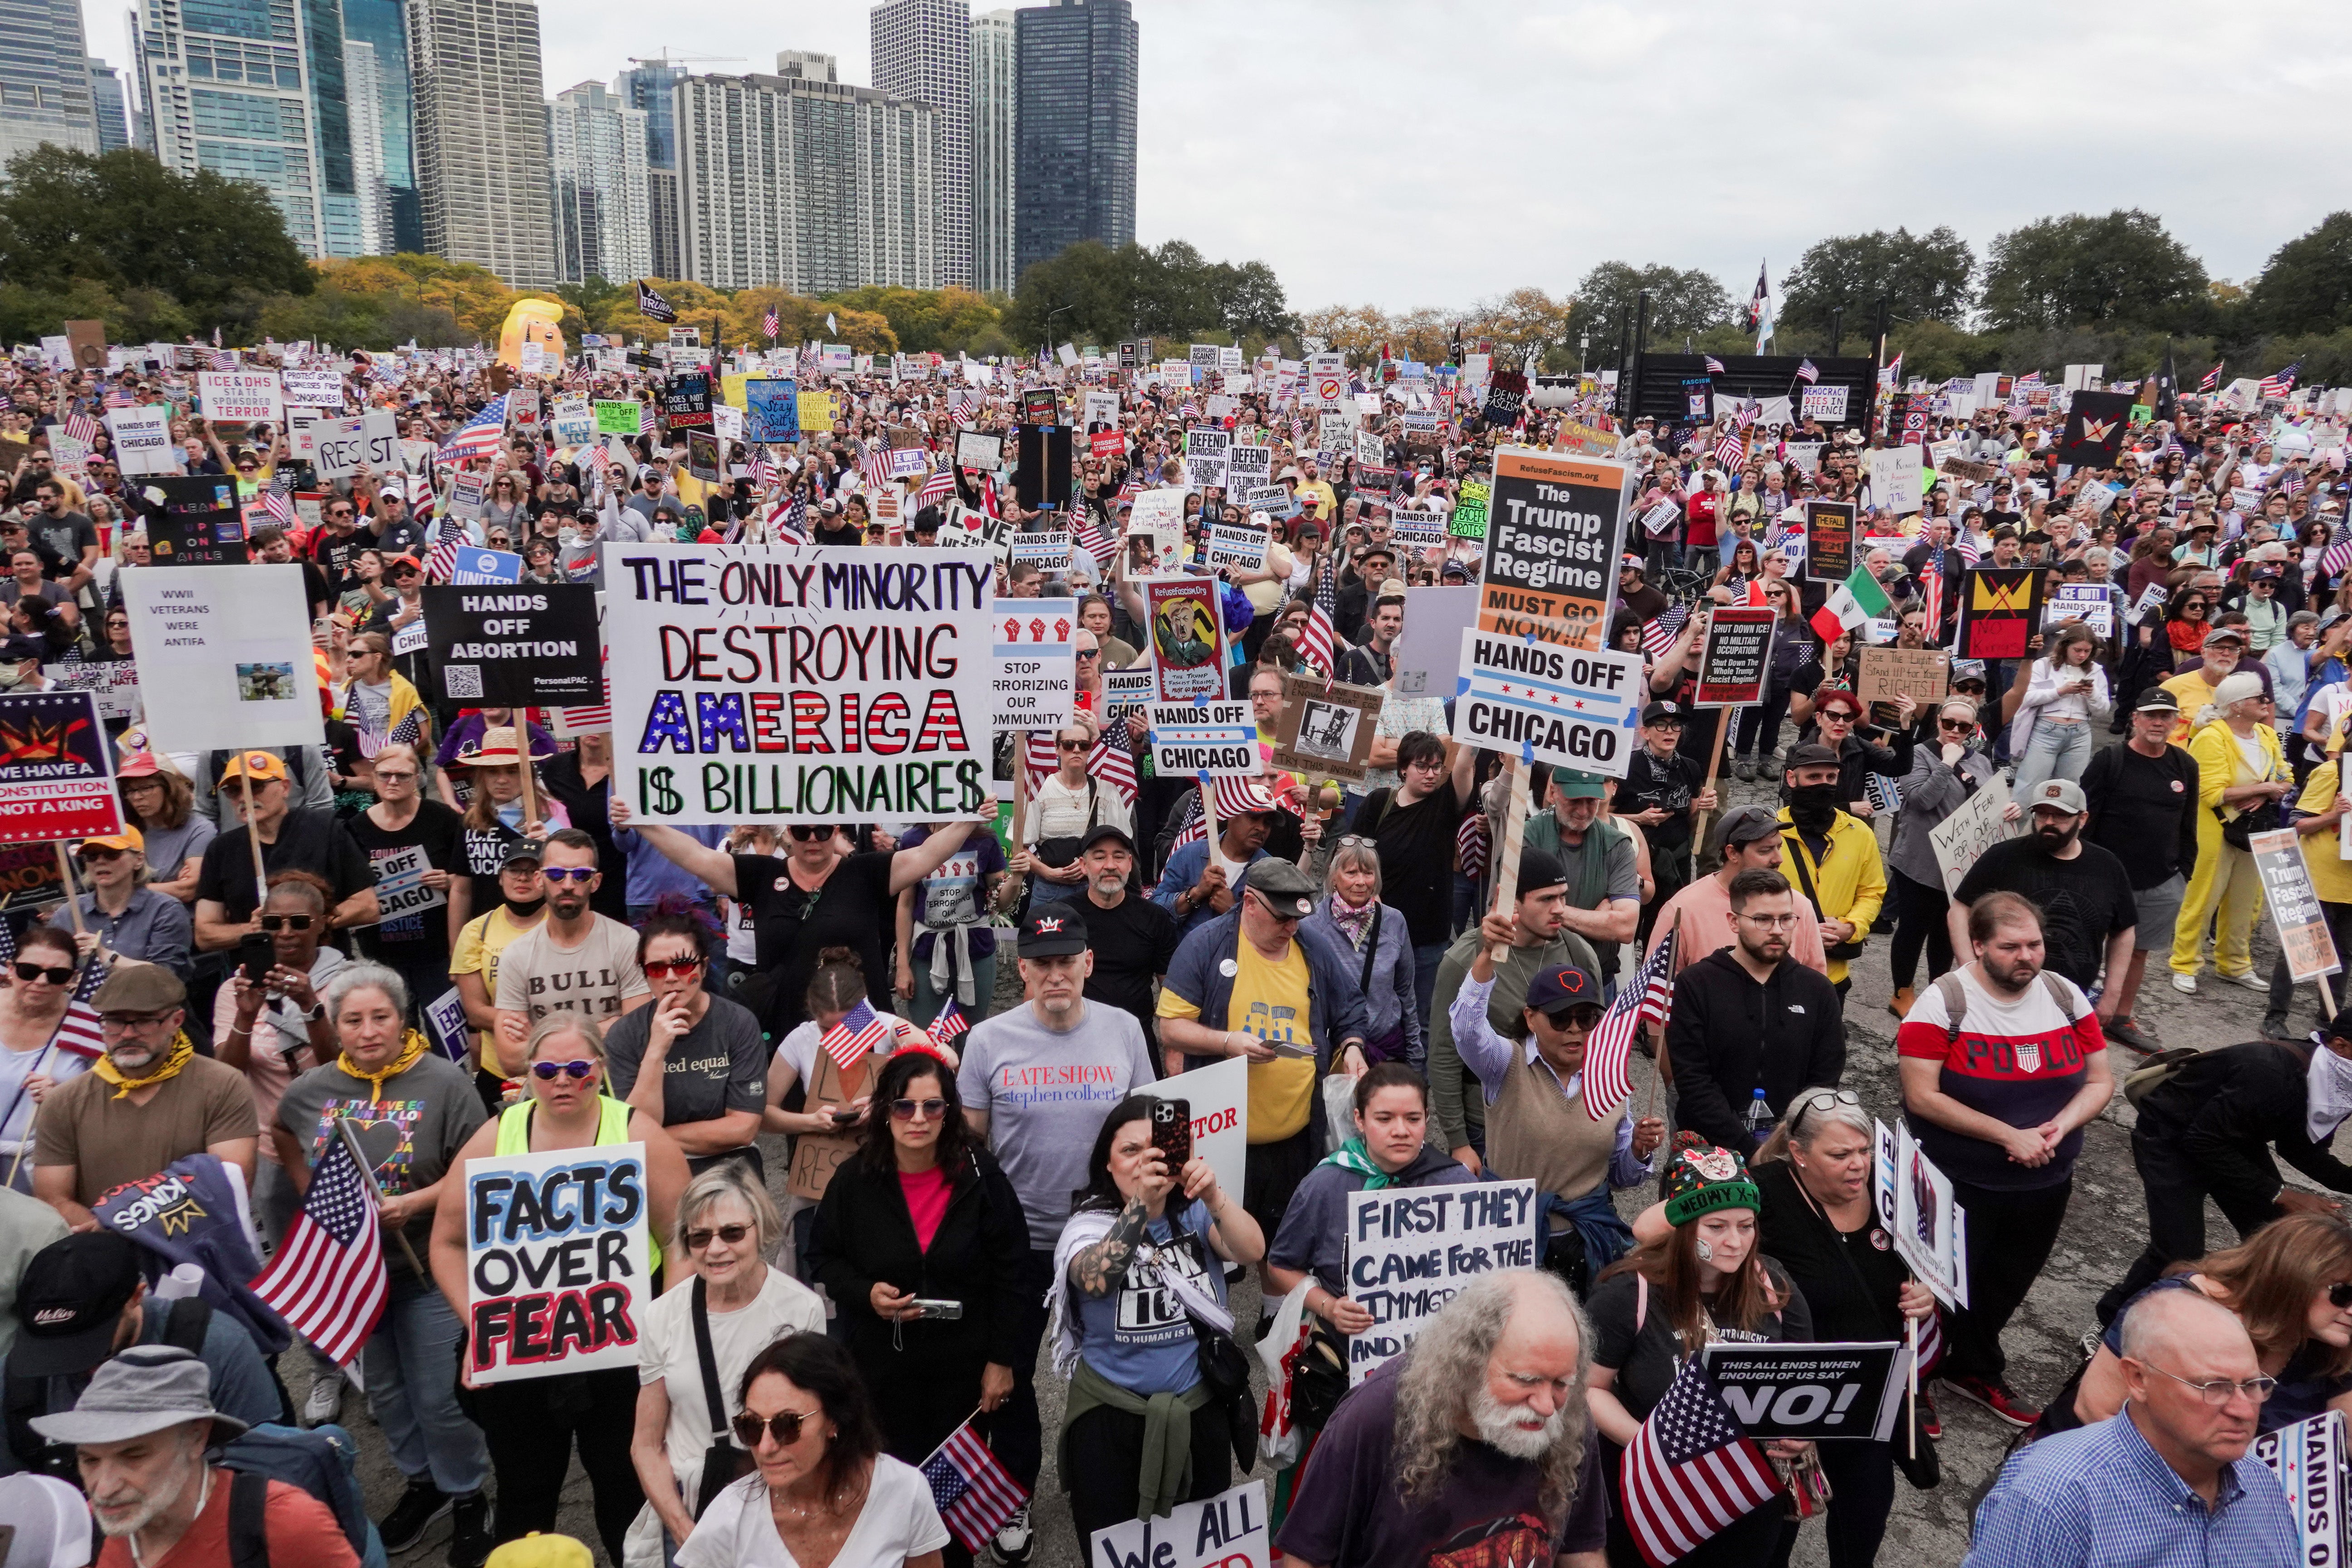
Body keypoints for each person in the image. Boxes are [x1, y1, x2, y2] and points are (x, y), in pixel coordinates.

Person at [429, 1014, 691, 1565]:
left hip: (621, 1343)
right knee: (525, 1493)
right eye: (548, 1070)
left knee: (625, 1489)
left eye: (578, 1068)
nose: (563, 1080)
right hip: (521, 1342)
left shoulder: (638, 1131)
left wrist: (667, 1327)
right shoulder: (496, 1135)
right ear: (528, 1074)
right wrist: (478, 1327)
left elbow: (679, 1237)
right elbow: (447, 1243)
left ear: (600, 1069)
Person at [269, 962, 490, 1561]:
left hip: (429, 1264)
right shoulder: (311, 1088)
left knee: (440, 1395)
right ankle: (423, 1483)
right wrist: (307, 1184)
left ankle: (468, 1491)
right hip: (357, 1276)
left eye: (380, 1018)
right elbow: (283, 1131)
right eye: (353, 1020)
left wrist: (415, 1202)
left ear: (402, 1020)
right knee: (389, 1394)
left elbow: (483, 1167)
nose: (368, 1031)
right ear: (335, 1027)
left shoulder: (445, 1083)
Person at [954, 905, 1157, 1553]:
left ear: (1088, 964)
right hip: (1019, 1242)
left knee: (1115, 1365)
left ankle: (1122, 1485)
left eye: (1066, 960)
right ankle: (1012, 1496)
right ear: (1022, 970)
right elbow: (971, 1146)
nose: (1055, 974)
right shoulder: (987, 1040)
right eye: (1042, 963)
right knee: (1005, 1376)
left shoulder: (1125, 1029)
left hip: (1107, 1233)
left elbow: (1147, 1120)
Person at [1896, 893, 2113, 1428]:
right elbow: (1921, 1096)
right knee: (1934, 1287)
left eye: (2034, 945)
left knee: (2004, 1283)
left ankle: (1971, 1368)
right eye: (2010, 946)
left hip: (2046, 1179)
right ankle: (1911, 1380)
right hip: (1956, 1181)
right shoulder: (1943, 1002)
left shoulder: (2065, 996)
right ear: (1978, 945)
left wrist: (2061, 1126)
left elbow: (2101, 1079)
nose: (2027, 957)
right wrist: (2005, 1135)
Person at [811, 1047, 1027, 1555]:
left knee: (952, 1509)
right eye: (905, 1106)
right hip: (882, 1367)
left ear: (950, 1112)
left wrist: (1003, 1360)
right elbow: (822, 1256)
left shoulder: (982, 1176)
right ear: (884, 1109)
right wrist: (865, 1293)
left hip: (964, 1366)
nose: (918, 1119)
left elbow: (1013, 1274)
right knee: (887, 1494)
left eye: (933, 1107)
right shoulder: (855, 1179)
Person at [1048, 1094, 1263, 1563]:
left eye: (1158, 1147)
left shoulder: (1195, 1215)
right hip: (1111, 1418)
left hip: (1197, 1409)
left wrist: (1212, 1195)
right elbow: (1095, 1278)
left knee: (1198, 1550)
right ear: (1106, 1164)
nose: (1146, 1160)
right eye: (1130, 1150)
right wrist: (1138, 1209)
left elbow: (1251, 1249)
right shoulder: (1086, 1226)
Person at [1272, 1270, 1608, 1568]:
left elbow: (1583, 1549)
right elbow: (1305, 1558)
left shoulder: (1568, 1417)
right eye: (1526, 1379)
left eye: (1561, 1382)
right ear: (1468, 1363)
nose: (1547, 1405)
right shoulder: (1371, 1418)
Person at [1585, 1138, 1812, 1568]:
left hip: (1747, 1496)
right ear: (1684, 1227)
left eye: (1746, 1226)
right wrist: (1654, 1447)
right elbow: (1589, 1388)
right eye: (1716, 1226)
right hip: (1653, 1495)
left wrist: (1802, 1431)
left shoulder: (1775, 1288)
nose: (1735, 1241)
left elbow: (1805, 1385)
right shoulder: (1628, 1291)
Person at [1961, 1290, 2296, 1566]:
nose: (2242, 1409)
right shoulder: (2054, 1497)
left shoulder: (2260, 1480)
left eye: (2252, 1385)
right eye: (2213, 1386)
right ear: (2137, 1379)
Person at [1264, 1065, 1474, 1505]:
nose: (1400, 1130)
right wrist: (1327, 1305)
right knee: (1337, 1501)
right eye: (1384, 1118)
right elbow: (1280, 1265)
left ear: (1426, 1119)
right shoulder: (1325, 1183)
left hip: (1435, 1376)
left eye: (1413, 1118)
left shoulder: (1455, 1182)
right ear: (1359, 1120)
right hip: (1345, 1372)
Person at [611, 798, 995, 1036]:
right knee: (805, 1130)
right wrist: (642, 821)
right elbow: (697, 857)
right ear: (788, 833)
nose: (813, 838)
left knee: (865, 1117)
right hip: (792, 1026)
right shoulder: (762, 875)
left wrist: (968, 820)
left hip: (860, 1020)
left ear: (837, 831)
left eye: (823, 829)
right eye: (801, 829)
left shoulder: (864, 872)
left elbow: (926, 856)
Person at [1751, 1090, 1937, 1568]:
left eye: (1864, 1150)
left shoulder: (1891, 1188)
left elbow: (1936, 1262)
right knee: (1776, 1528)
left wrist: (1927, 1295)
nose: (1858, 1165)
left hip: (1867, 1390)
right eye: (1840, 1155)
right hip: (1792, 1392)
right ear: (1798, 1153)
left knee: (1865, 1511)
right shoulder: (1765, 1190)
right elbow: (1666, 1234)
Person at [1157, 860, 1369, 1240]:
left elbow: (1350, 1006)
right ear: (1250, 903)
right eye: (1281, 919)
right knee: (1213, 1241)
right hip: (1220, 1133)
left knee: (1283, 1241)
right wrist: (1226, 1042)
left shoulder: (1310, 947)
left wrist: (1352, 1045)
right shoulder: (1206, 944)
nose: (1291, 928)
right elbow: (1171, 1027)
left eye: (1296, 920)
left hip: (1294, 1135)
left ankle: (1275, 1304)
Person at [2100, 1006, 2352, 1317]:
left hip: (2231, 1140)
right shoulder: (2270, 1072)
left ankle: (2252, 1317)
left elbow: (2300, 1149)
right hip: (2170, 1140)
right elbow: (2202, 1140)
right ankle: (2110, 1319)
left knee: (2281, 1238)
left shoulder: (2336, 1087)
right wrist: (2280, 1193)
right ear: (2340, 1046)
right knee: (2178, 1252)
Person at [631, 1165, 825, 1561]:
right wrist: (684, 1529)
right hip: (693, 1507)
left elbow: (816, 1425)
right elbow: (646, 1444)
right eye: (699, 1236)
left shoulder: (800, 1309)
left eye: (732, 1232)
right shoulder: (662, 1316)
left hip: (781, 1505)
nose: (715, 1249)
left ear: (760, 1228)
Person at [1447, 943, 1663, 1284]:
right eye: (1561, 1018)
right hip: (1508, 1236)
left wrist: (1638, 1150)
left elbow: (1621, 1178)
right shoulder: (1505, 1062)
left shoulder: (1608, 1078)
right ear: (1530, 1018)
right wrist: (1488, 955)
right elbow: (1465, 1029)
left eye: (1587, 1018)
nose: (1575, 1029)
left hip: (1586, 1239)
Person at [34, 1344, 362, 1568]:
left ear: (196, 1437)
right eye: (89, 1460)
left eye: (132, 1455)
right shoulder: (81, 1530)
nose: (103, 1489)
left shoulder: (285, 1525)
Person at [3, 1231, 284, 1479]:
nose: (75, 1366)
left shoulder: (218, 1348)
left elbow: (269, 1471)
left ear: (136, 1297)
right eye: (51, 1350)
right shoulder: (17, 1381)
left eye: (90, 1347)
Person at [672, 1333, 950, 1568]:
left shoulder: (903, 1491)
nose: (766, 1447)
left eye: (787, 1424)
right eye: (752, 1426)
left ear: (834, 1420)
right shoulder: (730, 1515)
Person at [31, 962, 256, 1231]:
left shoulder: (224, 1085)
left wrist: (136, 1233)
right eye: (114, 1021)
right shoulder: (64, 1102)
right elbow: (52, 1197)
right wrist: (117, 1237)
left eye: (144, 1021)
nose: (128, 1033)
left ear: (176, 1021)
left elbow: (230, 1184)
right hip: (105, 1255)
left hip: (198, 1252)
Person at [1428, 850, 1606, 1168]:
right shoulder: (1464, 959)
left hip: (1562, 1120)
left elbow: (1598, 1044)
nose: (1559, 909)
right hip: (1489, 1123)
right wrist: (1459, 1142)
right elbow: (1444, 1054)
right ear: (1511, 900)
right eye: (1546, 899)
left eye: (1563, 897)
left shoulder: (1578, 953)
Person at [1664, 869, 1847, 1155]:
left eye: (1786, 919)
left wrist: (1780, 1145)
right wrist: (1749, 1149)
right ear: (1734, 922)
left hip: (1788, 1150)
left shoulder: (1818, 990)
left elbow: (1824, 1079)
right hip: (1708, 1152)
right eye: (1763, 919)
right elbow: (1693, 1079)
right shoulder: (1696, 984)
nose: (1777, 930)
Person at [213, 872, 344, 1247]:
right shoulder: (234, 990)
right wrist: (245, 1014)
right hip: (272, 1149)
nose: (285, 932)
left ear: (322, 924)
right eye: (274, 923)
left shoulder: (350, 981)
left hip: (340, 1138)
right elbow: (227, 1076)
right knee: (290, 1257)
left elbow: (341, 1069)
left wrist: (310, 1007)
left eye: (299, 922)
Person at [602, 903, 768, 1177]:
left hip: (729, 1163)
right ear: (645, 974)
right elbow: (633, 1133)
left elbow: (743, 1128)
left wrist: (659, 1136)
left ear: (703, 967)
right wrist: (656, 1051)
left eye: (682, 965)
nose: (670, 978)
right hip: (654, 1167)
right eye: (656, 968)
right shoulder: (625, 1034)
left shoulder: (738, 1023)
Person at [2080, 688, 2202, 1054]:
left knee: (2137, 953)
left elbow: (2188, 823)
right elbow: (2084, 819)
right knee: (2084, 947)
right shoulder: (2110, 760)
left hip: (2161, 881)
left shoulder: (2184, 765)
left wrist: (2183, 873)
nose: (2158, 722)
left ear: (2176, 721)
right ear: (2134, 718)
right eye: (2150, 714)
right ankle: (2073, 1018)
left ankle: (2119, 1019)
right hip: (2105, 878)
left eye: (2165, 716)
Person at [1950, 778, 2137, 1005]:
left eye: (2060, 815)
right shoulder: (2003, 857)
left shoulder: (2107, 866)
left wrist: (2112, 995)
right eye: (2041, 814)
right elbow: (1959, 908)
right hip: (2002, 997)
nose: (2049, 822)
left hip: (2073, 1001)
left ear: (2082, 819)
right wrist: (1969, 969)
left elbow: (2124, 931)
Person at [490, 828, 650, 1076]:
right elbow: (510, 1059)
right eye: (555, 874)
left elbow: (640, 1037)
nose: (567, 885)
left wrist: (540, 1038)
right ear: (538, 879)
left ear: (596, 882)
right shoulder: (517, 956)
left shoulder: (625, 942)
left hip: (616, 1087)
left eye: (581, 875)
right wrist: (606, 1029)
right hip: (547, 1093)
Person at [2170, 672, 2291, 994]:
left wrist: (2266, 791)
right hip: (2214, 829)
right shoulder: (2212, 737)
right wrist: (2264, 787)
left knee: (2246, 900)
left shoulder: (2266, 734)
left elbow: (2285, 774)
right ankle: (2184, 962)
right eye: (2259, 698)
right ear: (2237, 705)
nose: (2266, 702)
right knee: (2204, 896)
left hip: (2254, 829)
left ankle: (2234, 963)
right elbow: (2210, 792)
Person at [190, 751, 378, 956]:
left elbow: (367, 907)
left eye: (256, 787)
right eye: (234, 791)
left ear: (285, 788)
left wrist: (308, 923)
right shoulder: (221, 849)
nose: (244, 797)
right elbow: (205, 934)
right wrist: (253, 930)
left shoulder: (326, 830)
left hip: (324, 968)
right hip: (256, 975)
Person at [1355, 732, 1477, 1024]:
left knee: (1422, 1023)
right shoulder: (1378, 803)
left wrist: (1475, 727)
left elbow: (1463, 764)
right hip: (1378, 935)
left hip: (1428, 940)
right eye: (1422, 766)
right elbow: (1351, 856)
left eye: (1436, 767)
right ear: (1403, 769)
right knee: (1373, 1019)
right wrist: (1368, 894)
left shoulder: (1445, 804)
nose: (1431, 774)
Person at [1885, 698, 1995, 1017]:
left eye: (1963, 726)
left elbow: (1987, 806)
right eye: (1949, 723)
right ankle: (1901, 991)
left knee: (1947, 933)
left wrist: (2008, 809)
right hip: (1919, 861)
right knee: (1912, 929)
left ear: (1973, 729)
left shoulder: (1981, 761)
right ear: (1938, 721)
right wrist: (1946, 764)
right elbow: (1921, 799)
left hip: (1960, 864)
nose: (1955, 731)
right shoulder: (1918, 754)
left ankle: (1938, 990)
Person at [345, 739, 466, 1018]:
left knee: (447, 1039)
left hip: (437, 950)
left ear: (417, 779)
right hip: (382, 953)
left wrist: (449, 881)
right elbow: (348, 887)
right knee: (396, 1035)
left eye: (403, 775)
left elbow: (467, 876)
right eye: (385, 775)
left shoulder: (444, 819)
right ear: (374, 778)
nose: (393, 781)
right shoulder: (355, 828)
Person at [1644, 806, 1830, 980]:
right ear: (1732, 853)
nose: (1778, 859)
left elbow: (1815, 979)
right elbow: (1656, 986)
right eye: (1766, 851)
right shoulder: (1683, 908)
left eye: (1779, 848)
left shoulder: (1800, 906)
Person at [1517, 769, 1643, 997]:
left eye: (1592, 801)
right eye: (1575, 800)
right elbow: (1513, 912)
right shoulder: (1526, 837)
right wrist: (1599, 920)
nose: (1584, 811)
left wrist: (1546, 909)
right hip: (1534, 979)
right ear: (1554, 792)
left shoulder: (1617, 844)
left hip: (1598, 981)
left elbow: (1625, 928)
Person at [1301, 835, 1421, 1069]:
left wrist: (1416, 1060)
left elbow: (1406, 993)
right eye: (1352, 872)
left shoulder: (1394, 921)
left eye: (1368, 873)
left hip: (1386, 1050)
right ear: (1334, 877)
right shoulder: (1311, 928)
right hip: (1333, 1052)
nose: (1361, 882)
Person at [1775, 742, 1887, 993]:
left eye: (1831, 777)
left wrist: (1851, 927)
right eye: (1814, 777)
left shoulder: (1860, 834)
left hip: (1831, 977)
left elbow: (1872, 892)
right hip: (1775, 971)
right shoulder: (1770, 833)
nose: (1823, 784)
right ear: (1792, 779)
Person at [2265, 735, 2352, 1039]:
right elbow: (2297, 823)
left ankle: (2330, 1019)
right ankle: (2275, 1016)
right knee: (2299, 948)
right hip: (2318, 878)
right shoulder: (2333, 772)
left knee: (2343, 953)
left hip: (2348, 885)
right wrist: (2335, 815)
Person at [449, 841, 547, 1108]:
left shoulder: (567, 927)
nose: (524, 877)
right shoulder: (475, 931)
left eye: (533, 870)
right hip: (500, 1071)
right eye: (515, 870)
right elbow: (476, 1011)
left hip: (561, 1065)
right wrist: (541, 1026)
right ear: (501, 878)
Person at [0, 925, 98, 1192]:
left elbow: (105, 1102)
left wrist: (63, 1097)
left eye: (57, 975)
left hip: (46, 1167)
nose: (41, 982)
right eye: (29, 971)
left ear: (72, 978)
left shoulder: (88, 1025)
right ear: (10, 968)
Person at [896, 807, 1012, 1031]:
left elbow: (1000, 902)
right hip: (927, 950)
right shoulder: (914, 840)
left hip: (975, 949)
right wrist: (902, 963)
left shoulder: (985, 839)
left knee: (971, 1035)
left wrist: (1016, 881)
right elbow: (905, 903)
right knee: (930, 1038)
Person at [1068, 826, 1180, 1051]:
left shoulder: (1155, 918)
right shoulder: (1064, 917)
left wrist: (1175, 1050)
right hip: (1075, 1038)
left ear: (1130, 863)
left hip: (1136, 1037)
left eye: (1118, 857)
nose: (1110, 865)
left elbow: (1170, 990)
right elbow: (1036, 992)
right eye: (1100, 857)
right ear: (1083, 865)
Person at [1619, 704, 1716, 938]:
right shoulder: (1628, 767)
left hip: (1677, 859)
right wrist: (1638, 819)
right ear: (1645, 733)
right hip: (1637, 858)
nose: (1669, 732)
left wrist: (1705, 809)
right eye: (1661, 725)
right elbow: (1604, 816)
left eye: (1676, 726)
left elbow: (1692, 817)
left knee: (1669, 925)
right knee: (1631, 924)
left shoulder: (1690, 767)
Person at [1017, 718, 1133, 910]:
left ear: (1090, 749)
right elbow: (1019, 846)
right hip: (1050, 890)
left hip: (1096, 889)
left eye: (1084, 745)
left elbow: (1122, 843)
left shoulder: (1107, 789)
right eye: (1069, 745)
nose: (1077, 750)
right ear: (1057, 748)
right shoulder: (1039, 788)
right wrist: (1049, 873)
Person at [70, 828, 192, 983]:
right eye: (92, 856)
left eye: (112, 854)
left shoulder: (166, 910)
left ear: (139, 860)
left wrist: (105, 956)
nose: (100, 861)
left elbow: (166, 977)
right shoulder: (68, 913)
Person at [2010, 623, 2113, 794]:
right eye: (2077, 650)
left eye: (2087, 651)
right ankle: (2021, 820)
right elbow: (2026, 698)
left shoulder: (2096, 671)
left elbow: (2103, 711)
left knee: (2069, 790)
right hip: (2045, 731)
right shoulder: (2044, 665)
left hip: (2080, 734)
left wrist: (2092, 694)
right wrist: (2060, 692)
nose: (2082, 655)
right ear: (2065, 647)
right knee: (2029, 786)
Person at [113, 754, 212, 907]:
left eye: (146, 788)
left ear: (169, 788)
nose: (137, 797)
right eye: (130, 791)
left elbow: (187, 890)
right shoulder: (124, 831)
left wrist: (126, 889)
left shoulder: (199, 829)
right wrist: (167, 887)